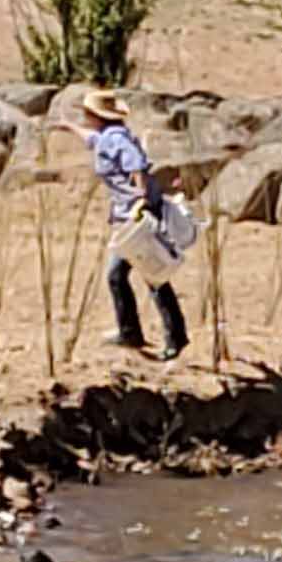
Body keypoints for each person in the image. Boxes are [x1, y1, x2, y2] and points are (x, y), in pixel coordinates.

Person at [71, 90, 188, 361]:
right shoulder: (107, 136)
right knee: (129, 275)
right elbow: (91, 139)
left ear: (95, 115)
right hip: (128, 217)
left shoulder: (117, 139)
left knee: (148, 275)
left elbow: (136, 167)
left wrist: (142, 199)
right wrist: (67, 127)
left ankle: (170, 337)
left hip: (137, 216)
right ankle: (133, 331)